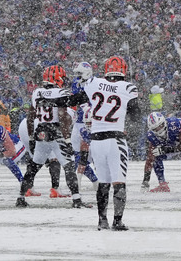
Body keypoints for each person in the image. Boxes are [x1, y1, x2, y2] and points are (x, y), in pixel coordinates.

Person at [62, 55, 140, 230]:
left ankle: (102, 220)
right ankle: (117, 221)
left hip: (96, 140)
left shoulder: (95, 83)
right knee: (119, 182)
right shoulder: (127, 87)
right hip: (115, 139)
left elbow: (74, 100)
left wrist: (53, 101)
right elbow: (136, 114)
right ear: (124, 70)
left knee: (103, 182)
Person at [15, 65, 88, 209]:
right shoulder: (60, 92)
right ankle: (76, 199)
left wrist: (31, 138)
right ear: (58, 78)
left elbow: (30, 116)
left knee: (33, 167)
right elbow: (62, 116)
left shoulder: (37, 92)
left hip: (41, 131)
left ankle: (20, 197)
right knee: (68, 165)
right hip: (56, 132)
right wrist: (66, 139)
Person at [141, 111, 181, 193]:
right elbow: (150, 158)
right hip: (176, 143)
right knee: (156, 155)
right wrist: (145, 181)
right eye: (155, 128)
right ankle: (162, 184)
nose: (159, 129)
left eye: (160, 125)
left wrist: (166, 149)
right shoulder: (151, 135)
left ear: (164, 122)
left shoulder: (175, 124)